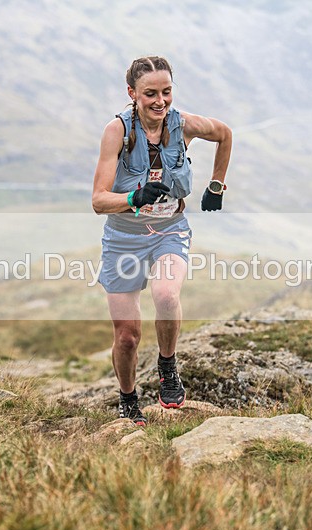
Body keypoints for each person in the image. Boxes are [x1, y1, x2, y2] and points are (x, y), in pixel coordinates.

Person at [91, 56, 232, 426]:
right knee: (126, 337)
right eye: (150, 93)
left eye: (166, 92)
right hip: (123, 237)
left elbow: (224, 134)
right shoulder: (117, 132)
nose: (160, 101)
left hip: (169, 229)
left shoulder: (183, 125)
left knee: (167, 295)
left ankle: (167, 366)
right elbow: (98, 200)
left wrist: (216, 185)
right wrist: (134, 199)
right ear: (132, 93)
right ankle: (127, 398)